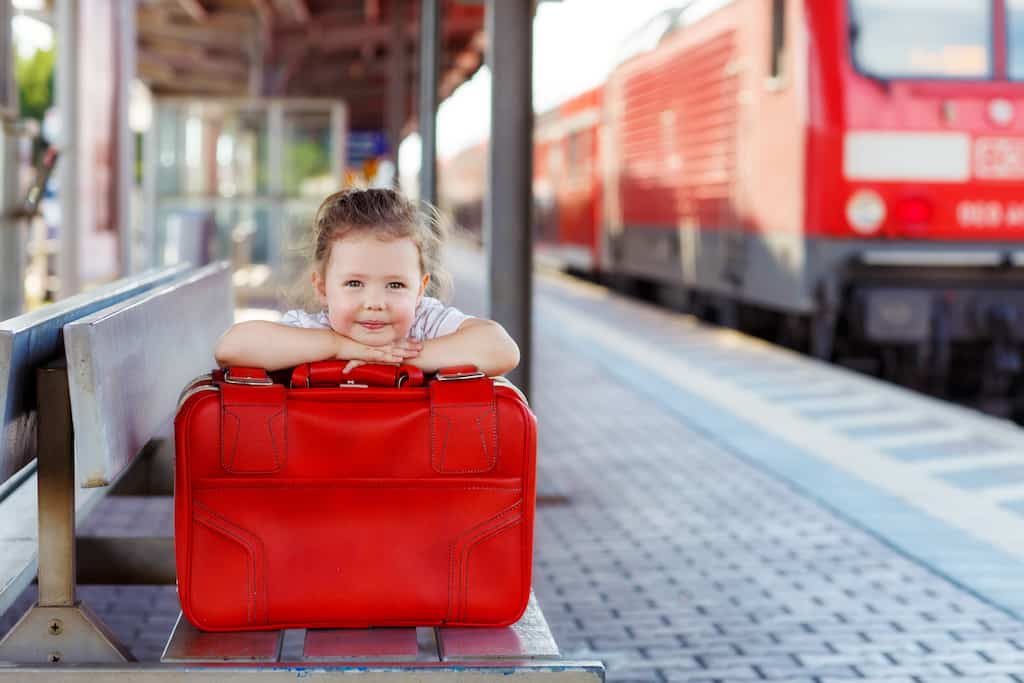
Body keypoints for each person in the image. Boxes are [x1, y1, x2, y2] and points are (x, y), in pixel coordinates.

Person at [214, 188, 520, 377]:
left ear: (420, 290)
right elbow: (232, 347)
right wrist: (339, 346)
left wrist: (398, 359)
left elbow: (502, 349)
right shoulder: (315, 331)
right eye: (354, 284)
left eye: (396, 285)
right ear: (322, 288)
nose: (375, 302)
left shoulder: (425, 324)